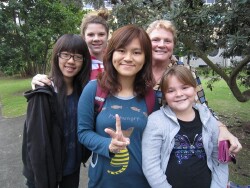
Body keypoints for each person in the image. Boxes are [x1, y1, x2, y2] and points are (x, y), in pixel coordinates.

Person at [77, 24, 158, 188]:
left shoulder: (150, 96)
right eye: (121, 50)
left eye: (136, 52)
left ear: (145, 58)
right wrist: (108, 145)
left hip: (143, 182)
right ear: (111, 53)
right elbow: (83, 132)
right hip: (103, 182)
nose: (128, 58)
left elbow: (155, 140)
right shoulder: (94, 89)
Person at [146, 19, 242, 154]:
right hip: (138, 136)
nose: (161, 45)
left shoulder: (185, 71)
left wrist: (223, 129)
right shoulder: (137, 67)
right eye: (155, 40)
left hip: (172, 141)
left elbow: (202, 106)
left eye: (167, 41)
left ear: (173, 44)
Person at [22, 34, 92, 188]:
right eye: (65, 54)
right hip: (46, 174)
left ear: (84, 61)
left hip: (71, 169)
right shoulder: (43, 93)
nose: (71, 61)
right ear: (56, 57)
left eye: (77, 56)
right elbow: (36, 144)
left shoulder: (83, 92)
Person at [142, 65, 229, 188]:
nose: (179, 94)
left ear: (194, 89)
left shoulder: (208, 119)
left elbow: (219, 159)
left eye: (185, 87)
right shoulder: (155, 122)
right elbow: (151, 166)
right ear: (164, 96)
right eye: (171, 91)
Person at [31, 9, 109, 87]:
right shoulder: (79, 62)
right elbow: (57, 79)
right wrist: (38, 80)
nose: (96, 39)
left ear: (107, 36)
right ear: (83, 37)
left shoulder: (114, 61)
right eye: (91, 34)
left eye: (101, 34)